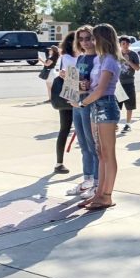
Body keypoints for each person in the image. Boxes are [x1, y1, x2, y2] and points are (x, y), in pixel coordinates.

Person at [71, 24, 122, 211]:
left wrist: (82, 103)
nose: (90, 42)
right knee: (100, 153)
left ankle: (106, 195)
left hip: (106, 106)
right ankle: (99, 194)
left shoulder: (109, 60)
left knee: (108, 154)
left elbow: (101, 90)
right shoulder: (101, 60)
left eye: (94, 38)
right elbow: (94, 87)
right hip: (96, 106)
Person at [66, 26, 99, 199]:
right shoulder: (81, 58)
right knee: (83, 144)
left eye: (88, 38)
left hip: (89, 103)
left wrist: (84, 87)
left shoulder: (98, 58)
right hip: (76, 103)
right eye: (81, 39)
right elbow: (77, 81)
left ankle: (97, 182)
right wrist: (72, 83)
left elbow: (100, 84)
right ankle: (87, 178)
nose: (85, 42)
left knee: (92, 144)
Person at [52, 32, 77, 174]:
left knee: (86, 132)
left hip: (82, 94)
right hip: (70, 95)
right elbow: (71, 75)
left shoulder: (84, 56)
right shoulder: (66, 57)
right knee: (65, 129)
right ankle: (59, 162)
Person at [117, 36, 140, 133]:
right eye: (123, 44)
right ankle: (115, 124)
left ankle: (128, 124)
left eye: (127, 43)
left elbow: (137, 68)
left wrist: (128, 60)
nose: (125, 45)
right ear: (120, 44)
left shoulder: (133, 54)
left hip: (129, 82)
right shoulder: (117, 54)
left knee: (129, 105)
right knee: (117, 105)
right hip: (118, 83)